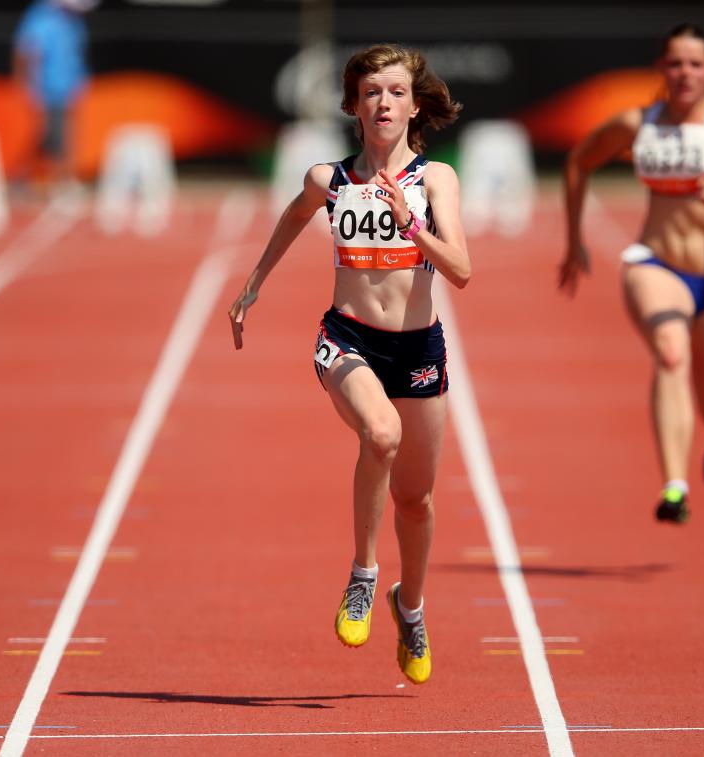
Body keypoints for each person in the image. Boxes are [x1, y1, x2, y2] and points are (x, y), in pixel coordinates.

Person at [228, 44, 469, 684]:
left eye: (395, 92)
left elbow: (462, 271)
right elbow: (294, 215)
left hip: (418, 350)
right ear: (354, 106)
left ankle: (409, 609)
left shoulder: (436, 179)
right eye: (371, 93)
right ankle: (363, 577)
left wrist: (409, 224)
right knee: (380, 434)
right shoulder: (328, 179)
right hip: (348, 339)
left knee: (416, 501)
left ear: (415, 105)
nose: (383, 103)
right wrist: (254, 282)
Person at [558, 23, 704, 524]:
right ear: (661, 68)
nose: (685, 73)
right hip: (656, 264)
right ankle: (674, 487)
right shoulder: (639, 124)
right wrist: (574, 241)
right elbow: (579, 161)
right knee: (670, 352)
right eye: (675, 63)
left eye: (695, 63)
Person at [12, 0, 97, 195]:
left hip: (68, 89)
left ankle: (60, 179)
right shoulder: (41, 16)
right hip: (46, 89)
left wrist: (80, 81)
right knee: (48, 136)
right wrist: (29, 87)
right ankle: (53, 180)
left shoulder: (74, 22)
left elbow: (77, 54)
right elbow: (26, 53)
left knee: (62, 136)